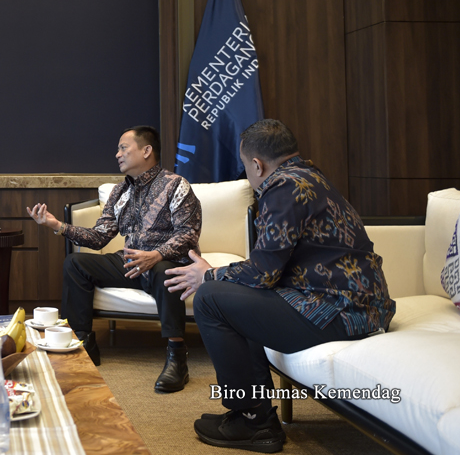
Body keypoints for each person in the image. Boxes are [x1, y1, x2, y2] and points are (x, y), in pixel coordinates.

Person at [164, 119, 395, 452]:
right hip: (359, 307)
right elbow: (268, 271)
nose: (248, 175)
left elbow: (262, 273)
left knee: (211, 298)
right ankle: (257, 415)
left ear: (257, 165)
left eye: (246, 167)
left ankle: (253, 422)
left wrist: (208, 275)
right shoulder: (310, 176)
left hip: (341, 312)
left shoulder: (283, 187)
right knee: (238, 297)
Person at [26, 126, 202, 393]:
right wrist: (58, 225)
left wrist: (156, 255)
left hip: (167, 263)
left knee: (165, 271)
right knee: (76, 264)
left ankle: (177, 358)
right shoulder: (120, 192)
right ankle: (83, 345)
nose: (117, 154)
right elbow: (99, 237)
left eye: (123, 148)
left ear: (146, 150)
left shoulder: (176, 185)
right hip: (131, 265)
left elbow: (188, 233)